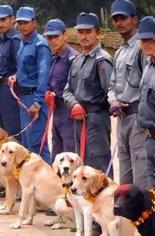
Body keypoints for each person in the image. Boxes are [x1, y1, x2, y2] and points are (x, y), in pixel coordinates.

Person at [63, 12, 113, 173]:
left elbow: (110, 91)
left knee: (98, 163)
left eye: (88, 32)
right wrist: (74, 104)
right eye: (81, 32)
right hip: (77, 117)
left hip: (96, 118)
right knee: (81, 163)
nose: (84, 36)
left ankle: (106, 198)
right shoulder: (77, 60)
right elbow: (67, 90)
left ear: (98, 34)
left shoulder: (103, 60)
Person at [107, 0, 150, 189]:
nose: (118, 23)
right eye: (115, 19)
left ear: (134, 19)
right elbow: (111, 85)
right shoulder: (119, 52)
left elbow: (148, 86)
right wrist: (113, 100)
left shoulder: (143, 48)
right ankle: (128, 218)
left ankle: (145, 218)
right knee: (124, 179)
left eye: (123, 18)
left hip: (138, 118)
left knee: (141, 175)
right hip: (121, 118)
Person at [9, 7, 51, 164]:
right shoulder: (22, 42)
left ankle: (47, 183)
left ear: (34, 22)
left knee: (38, 144)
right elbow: (25, 69)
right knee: (26, 144)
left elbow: (43, 75)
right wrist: (15, 77)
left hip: (34, 98)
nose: (22, 26)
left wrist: (37, 102)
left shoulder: (41, 45)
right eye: (19, 23)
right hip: (23, 98)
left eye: (25, 22)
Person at [44, 19, 79, 158]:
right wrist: (48, 93)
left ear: (65, 35)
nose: (52, 41)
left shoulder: (73, 59)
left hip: (69, 113)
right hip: (56, 111)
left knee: (69, 156)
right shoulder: (54, 58)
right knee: (57, 155)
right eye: (49, 37)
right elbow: (50, 83)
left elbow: (77, 89)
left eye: (55, 36)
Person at [0, 5, 21, 137]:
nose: (0, 23)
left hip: (10, 90)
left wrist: (15, 76)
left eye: (3, 20)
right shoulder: (0, 40)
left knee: (12, 129)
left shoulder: (16, 40)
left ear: (12, 19)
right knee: (0, 129)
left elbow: (21, 66)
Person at [136, 16, 155, 188]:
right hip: (149, 136)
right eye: (143, 40)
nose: (147, 43)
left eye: (152, 39)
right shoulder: (148, 64)